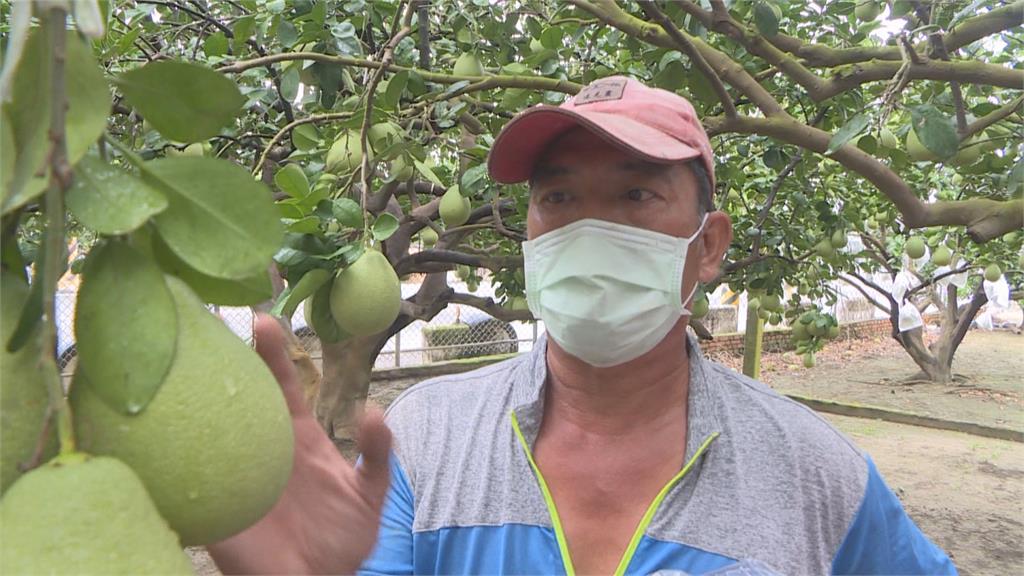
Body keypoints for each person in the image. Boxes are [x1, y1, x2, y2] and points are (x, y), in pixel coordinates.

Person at [209, 76, 956, 575]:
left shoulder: (813, 473)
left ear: (710, 245)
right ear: (530, 232)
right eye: (559, 198)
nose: (588, 228)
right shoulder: (427, 440)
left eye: (635, 194)